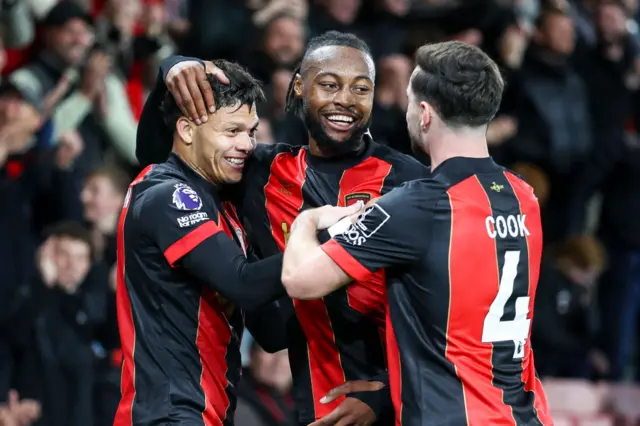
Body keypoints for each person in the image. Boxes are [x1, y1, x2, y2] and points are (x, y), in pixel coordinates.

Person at [136, 31, 430, 426]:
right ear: (298, 87)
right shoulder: (261, 172)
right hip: (315, 409)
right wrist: (173, 71)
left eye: (361, 89)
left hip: (405, 406)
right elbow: (166, 156)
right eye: (329, 84)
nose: (345, 99)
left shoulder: (410, 183)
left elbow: (453, 305)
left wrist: (386, 393)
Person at [280, 41, 554, 425]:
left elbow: (299, 281)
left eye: (409, 101)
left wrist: (308, 220)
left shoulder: (417, 206)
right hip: (528, 415)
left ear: (424, 114)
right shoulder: (524, 196)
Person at [115, 59, 355, 426]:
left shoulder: (224, 209)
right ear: (187, 130)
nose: (246, 144)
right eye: (231, 131)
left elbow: (272, 332)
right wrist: (333, 238)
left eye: (252, 131)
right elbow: (242, 284)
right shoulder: (167, 195)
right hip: (169, 415)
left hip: (209, 414)